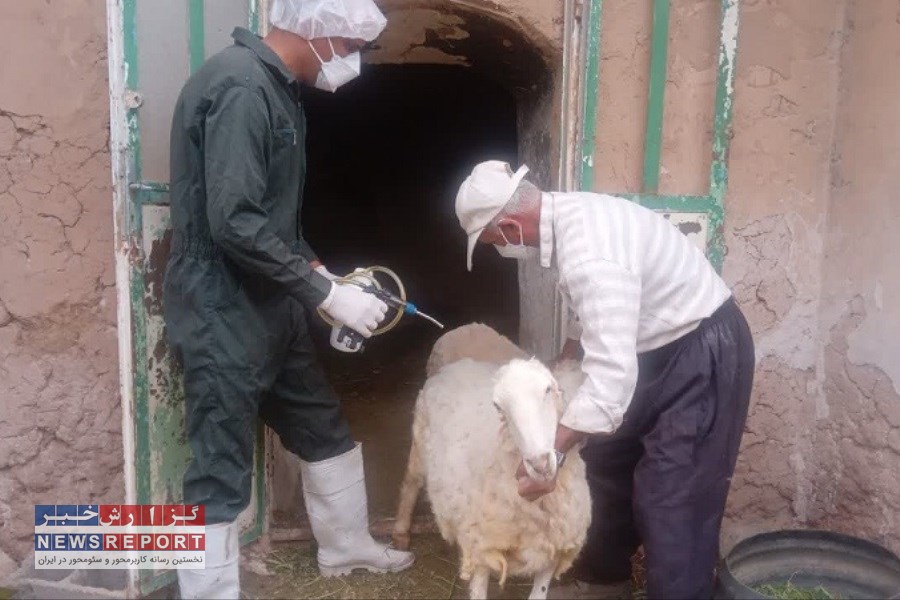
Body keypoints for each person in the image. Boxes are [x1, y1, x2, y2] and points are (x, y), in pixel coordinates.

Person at [164, 1, 414, 597]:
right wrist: (319, 291)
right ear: (322, 32)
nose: (352, 63)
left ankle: (346, 548)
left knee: (321, 425)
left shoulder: (280, 92)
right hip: (222, 303)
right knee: (221, 468)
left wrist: (331, 285)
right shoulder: (241, 88)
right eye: (352, 48)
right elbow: (234, 223)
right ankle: (209, 593)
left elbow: (276, 221)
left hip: (270, 302)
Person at [454, 160, 755, 599]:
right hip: (652, 346)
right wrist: (567, 357)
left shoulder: (590, 254)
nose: (497, 247)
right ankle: (602, 581)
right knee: (607, 463)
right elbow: (594, 312)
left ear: (513, 227)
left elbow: (612, 379)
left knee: (672, 497)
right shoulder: (569, 220)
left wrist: (550, 452)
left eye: (493, 239)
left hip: (700, 350)